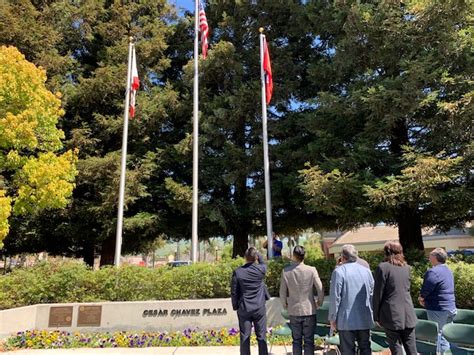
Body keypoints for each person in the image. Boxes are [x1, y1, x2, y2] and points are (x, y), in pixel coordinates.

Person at [329, 244, 374, 355]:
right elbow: (372, 293)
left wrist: (332, 318)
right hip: (364, 316)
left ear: (343, 257)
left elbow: (335, 297)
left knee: (348, 350)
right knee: (365, 348)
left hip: (346, 320)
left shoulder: (339, 272)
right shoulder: (367, 271)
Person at [373, 241, 417, 355]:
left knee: (396, 348)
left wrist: (376, 315)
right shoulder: (407, 267)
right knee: (412, 349)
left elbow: (378, 293)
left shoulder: (383, 268)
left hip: (391, 314)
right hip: (408, 313)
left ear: (387, 252)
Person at [279, 245, 324, 355]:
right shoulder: (311, 270)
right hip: (309, 309)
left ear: (294, 256)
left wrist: (285, 305)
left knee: (296, 341)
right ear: (304, 256)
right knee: (309, 341)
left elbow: (282, 292)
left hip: (294, 310)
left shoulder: (286, 271)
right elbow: (320, 288)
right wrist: (319, 302)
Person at [231, 247, 269, 355]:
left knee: (245, 336)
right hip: (259, 307)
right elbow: (264, 263)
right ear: (256, 258)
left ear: (245, 258)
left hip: (244, 308)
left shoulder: (238, 272)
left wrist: (235, 306)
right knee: (261, 336)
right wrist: (258, 255)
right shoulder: (260, 270)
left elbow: (234, 292)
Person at [418, 247, 457, 353]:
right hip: (450, 307)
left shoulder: (433, 272)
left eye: (430, 256)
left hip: (438, 309)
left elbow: (427, 288)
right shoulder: (448, 270)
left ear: (435, 257)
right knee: (450, 335)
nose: (429, 258)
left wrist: (421, 298)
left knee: (440, 335)